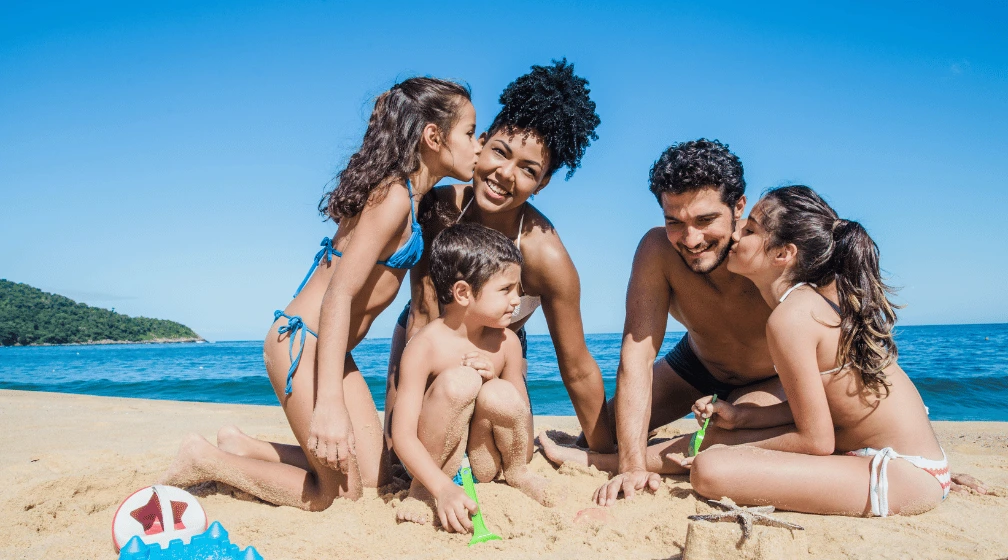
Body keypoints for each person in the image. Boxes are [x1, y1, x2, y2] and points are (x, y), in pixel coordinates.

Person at [159, 77, 482, 510]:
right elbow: (339, 295)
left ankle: (243, 446)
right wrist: (330, 402)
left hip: (329, 349)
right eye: (469, 133)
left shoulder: (412, 197)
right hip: (300, 342)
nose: (477, 144)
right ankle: (206, 458)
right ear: (433, 137)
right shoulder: (393, 198)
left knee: (373, 476)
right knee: (336, 494)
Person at [384, 59, 612, 460]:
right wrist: (401, 447)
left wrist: (607, 451)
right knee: (402, 455)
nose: (506, 174)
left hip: (498, 350)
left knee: (496, 455)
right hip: (426, 339)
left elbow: (576, 367)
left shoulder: (544, 255)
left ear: (542, 183)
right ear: (482, 142)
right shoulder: (437, 210)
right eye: (500, 152)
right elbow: (422, 313)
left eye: (528, 170)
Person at [684, 185, 949, 516]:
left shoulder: (792, 317)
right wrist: (744, 418)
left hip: (902, 474)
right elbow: (825, 407)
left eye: (750, 229)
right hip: (910, 463)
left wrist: (729, 446)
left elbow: (816, 441)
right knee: (722, 453)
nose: (736, 234)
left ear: (783, 254)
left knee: (711, 467)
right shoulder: (815, 301)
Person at [566, 139, 790, 506]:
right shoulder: (657, 249)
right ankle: (603, 457)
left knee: (720, 444)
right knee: (602, 435)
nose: (691, 239)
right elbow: (637, 355)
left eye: (705, 221)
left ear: (738, 207)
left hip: (767, 376)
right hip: (695, 364)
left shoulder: (769, 249)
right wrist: (632, 467)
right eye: (675, 221)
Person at [392, 223, 556, 533]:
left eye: (517, 289)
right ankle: (421, 491)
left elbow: (523, 419)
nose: (517, 300)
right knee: (459, 382)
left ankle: (518, 475)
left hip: (485, 463)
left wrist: (494, 381)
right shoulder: (424, 347)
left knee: (500, 393)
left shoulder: (507, 343)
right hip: (435, 464)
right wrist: (439, 487)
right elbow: (402, 435)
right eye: (505, 289)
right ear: (464, 293)